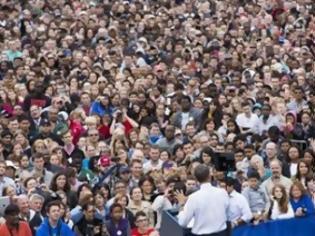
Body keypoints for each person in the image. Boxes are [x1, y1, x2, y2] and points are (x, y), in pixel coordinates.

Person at [177, 164, 230, 236]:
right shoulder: (222, 192)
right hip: (221, 233)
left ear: (195, 179)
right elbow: (228, 212)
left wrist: (182, 204)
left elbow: (183, 222)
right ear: (209, 176)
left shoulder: (193, 198)